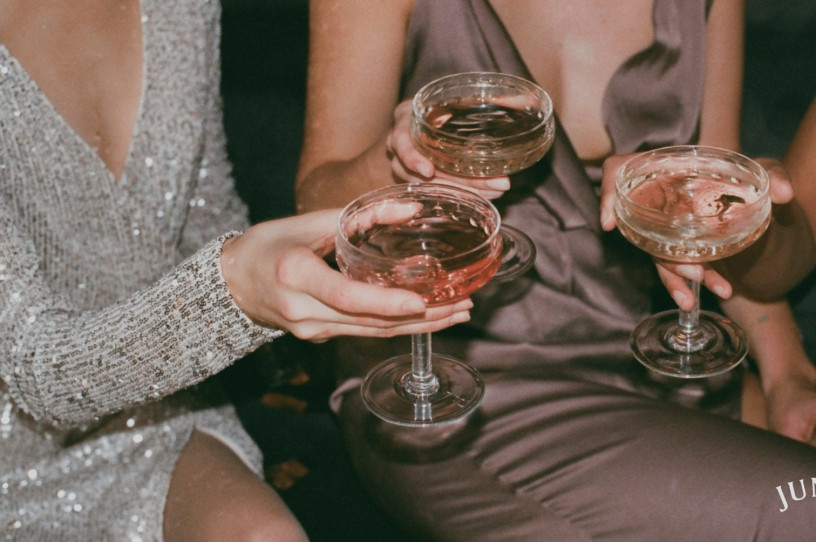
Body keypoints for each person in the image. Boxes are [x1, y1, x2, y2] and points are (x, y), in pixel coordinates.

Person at [296, 0, 816, 540]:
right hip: (445, 378)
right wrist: (401, 163)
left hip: (654, 354)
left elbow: (709, 210)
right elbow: (311, 208)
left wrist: (785, 367)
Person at [0, 1, 473, 540]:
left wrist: (390, 172)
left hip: (159, 409)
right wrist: (233, 294)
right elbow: (39, 372)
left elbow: (206, 210)